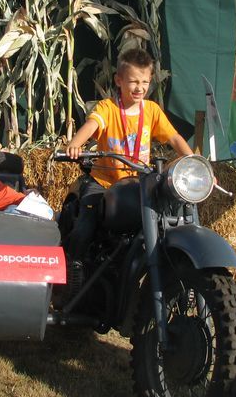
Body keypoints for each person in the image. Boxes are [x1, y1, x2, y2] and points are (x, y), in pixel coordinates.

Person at [64, 47, 193, 262]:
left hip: (139, 185)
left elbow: (174, 138)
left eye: (145, 82)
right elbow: (92, 124)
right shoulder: (108, 107)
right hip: (104, 182)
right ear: (119, 80)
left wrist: (193, 161)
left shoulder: (151, 110)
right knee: (85, 225)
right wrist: (75, 144)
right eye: (133, 82)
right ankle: (72, 266)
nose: (139, 88)